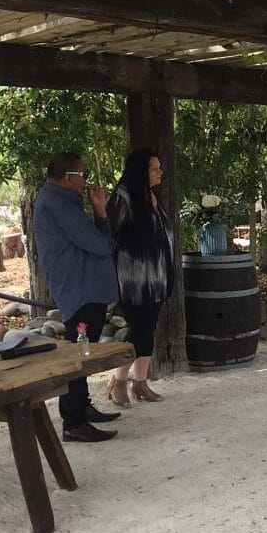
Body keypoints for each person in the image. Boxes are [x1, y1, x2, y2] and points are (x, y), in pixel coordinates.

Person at [32, 152, 121, 443]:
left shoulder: (60, 201)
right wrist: (101, 215)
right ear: (68, 178)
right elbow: (98, 245)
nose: (86, 182)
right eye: (83, 176)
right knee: (79, 354)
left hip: (83, 286)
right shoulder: (59, 205)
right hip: (80, 288)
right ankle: (73, 421)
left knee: (83, 351)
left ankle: (81, 407)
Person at [105, 147, 174, 406]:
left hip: (156, 278)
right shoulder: (123, 196)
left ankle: (141, 383)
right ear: (140, 170)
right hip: (134, 280)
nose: (160, 173)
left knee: (148, 330)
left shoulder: (151, 197)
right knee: (138, 330)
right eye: (154, 168)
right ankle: (119, 382)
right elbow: (109, 233)